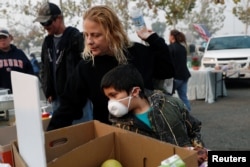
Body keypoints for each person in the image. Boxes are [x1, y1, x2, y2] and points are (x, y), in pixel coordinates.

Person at [47, 5, 175, 130]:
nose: (89, 41)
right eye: (86, 35)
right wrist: (48, 139)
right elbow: (68, 106)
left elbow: (166, 72)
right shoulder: (86, 67)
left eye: (96, 35)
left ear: (113, 33)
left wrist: (153, 40)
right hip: (110, 136)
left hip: (151, 132)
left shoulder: (138, 53)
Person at [100, 64, 207, 166]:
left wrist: (199, 150)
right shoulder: (119, 126)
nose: (111, 102)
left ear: (135, 91)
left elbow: (194, 129)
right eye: (108, 98)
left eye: (114, 95)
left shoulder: (172, 104)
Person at [33, 2, 92, 122]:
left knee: (83, 133)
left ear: (59, 18)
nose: (45, 26)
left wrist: (80, 91)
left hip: (77, 99)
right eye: (42, 23)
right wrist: (47, 89)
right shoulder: (47, 42)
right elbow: (44, 67)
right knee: (62, 134)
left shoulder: (76, 38)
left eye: (47, 22)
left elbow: (86, 67)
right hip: (56, 99)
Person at [0, 27, 34, 93]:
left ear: (10, 38)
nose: (2, 40)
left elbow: (30, 72)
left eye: (4, 38)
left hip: (20, 91)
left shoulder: (19, 53)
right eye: (0, 39)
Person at [169, 29, 191, 112]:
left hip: (176, 77)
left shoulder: (170, 48)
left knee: (167, 96)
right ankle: (188, 116)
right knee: (183, 97)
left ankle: (170, 114)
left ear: (172, 37)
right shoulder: (182, 48)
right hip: (184, 75)